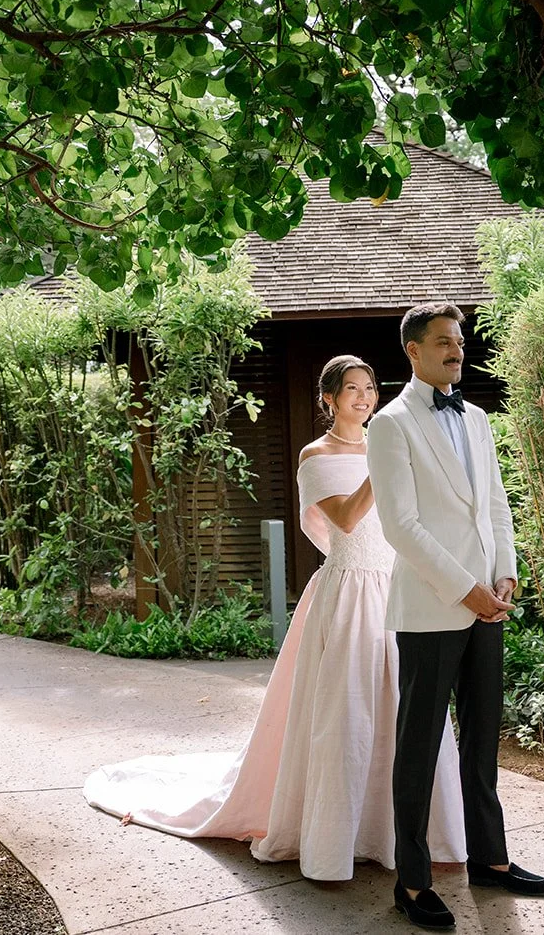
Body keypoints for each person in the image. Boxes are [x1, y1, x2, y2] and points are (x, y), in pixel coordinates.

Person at [82, 355, 467, 881]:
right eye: (351, 389)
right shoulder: (317, 456)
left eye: (370, 387)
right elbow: (348, 521)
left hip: (400, 590)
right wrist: (385, 463)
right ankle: (337, 838)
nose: (365, 397)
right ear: (328, 399)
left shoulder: (391, 441)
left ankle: (404, 836)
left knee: (407, 711)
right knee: (347, 717)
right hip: (350, 594)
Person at [367, 303, 544, 929]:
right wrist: (465, 590)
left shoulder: (475, 417)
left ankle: (491, 860)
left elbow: (494, 502)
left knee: (483, 739)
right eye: (444, 342)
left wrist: (504, 570)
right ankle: (413, 883)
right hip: (431, 608)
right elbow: (401, 526)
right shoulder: (390, 424)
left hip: (488, 605)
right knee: (418, 749)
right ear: (413, 351)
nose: (457, 350)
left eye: (460, 340)